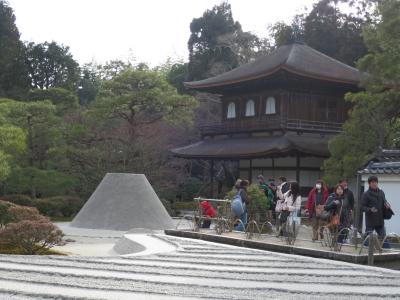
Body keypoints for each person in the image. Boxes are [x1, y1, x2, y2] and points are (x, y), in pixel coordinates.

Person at [361, 175, 387, 240]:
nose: (374, 183)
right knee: (367, 239)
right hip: (370, 220)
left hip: (380, 220)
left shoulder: (381, 192)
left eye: (375, 182)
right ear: (369, 184)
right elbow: (362, 207)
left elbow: (384, 202)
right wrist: (370, 209)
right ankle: (363, 248)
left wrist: (387, 205)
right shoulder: (366, 194)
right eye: (372, 182)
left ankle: (386, 249)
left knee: (383, 238)